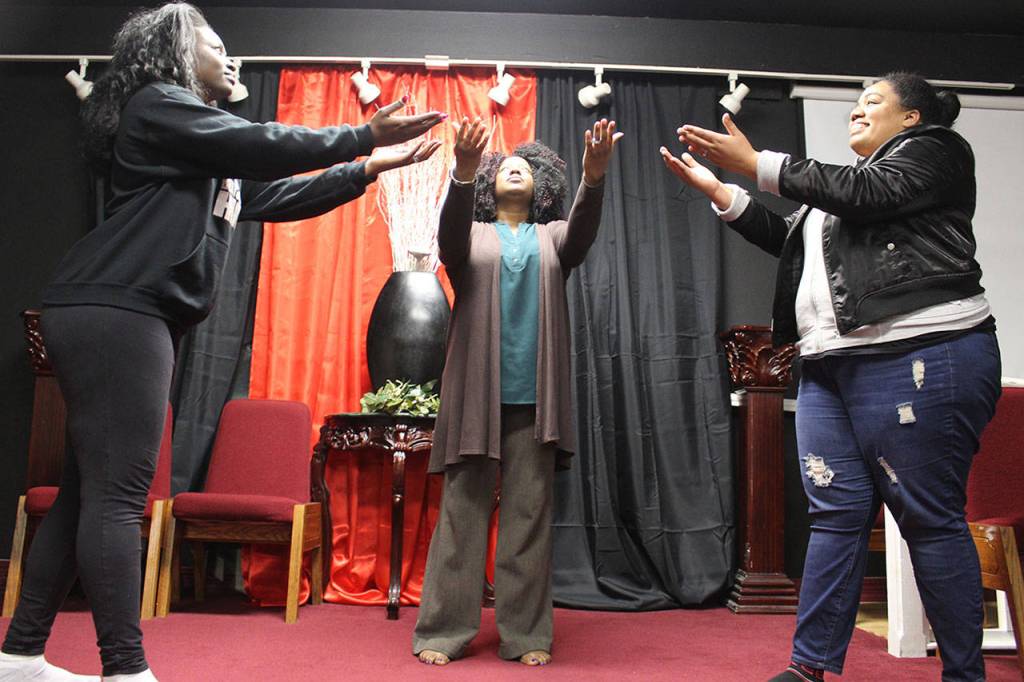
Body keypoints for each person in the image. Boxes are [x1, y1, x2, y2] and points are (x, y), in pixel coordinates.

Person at [0, 3, 445, 681]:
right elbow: (260, 142)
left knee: (87, 493)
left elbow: (274, 197)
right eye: (215, 44)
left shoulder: (199, 151)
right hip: (115, 309)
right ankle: (125, 669)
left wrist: (367, 166)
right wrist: (358, 134)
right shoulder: (158, 104)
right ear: (177, 52)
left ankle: (21, 654)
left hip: (115, 310)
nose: (229, 58)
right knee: (118, 499)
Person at [661, 72, 1001, 681]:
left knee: (928, 518)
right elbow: (790, 244)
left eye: (874, 101)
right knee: (835, 515)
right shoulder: (844, 191)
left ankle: (963, 675)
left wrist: (758, 162)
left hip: (922, 348)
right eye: (856, 101)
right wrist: (724, 192)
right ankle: (808, 667)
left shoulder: (935, 151)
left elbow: (867, 194)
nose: (857, 110)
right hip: (829, 362)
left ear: (912, 118)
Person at [412, 117, 622, 666]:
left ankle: (526, 634)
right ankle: (444, 631)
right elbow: (448, 239)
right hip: (475, 397)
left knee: (528, 519)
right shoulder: (472, 237)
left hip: (535, 401)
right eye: (505, 167)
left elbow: (582, 231)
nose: (515, 171)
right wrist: (461, 172)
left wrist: (593, 177)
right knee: (462, 516)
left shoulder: (553, 238)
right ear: (489, 182)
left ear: (541, 187)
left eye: (525, 169)